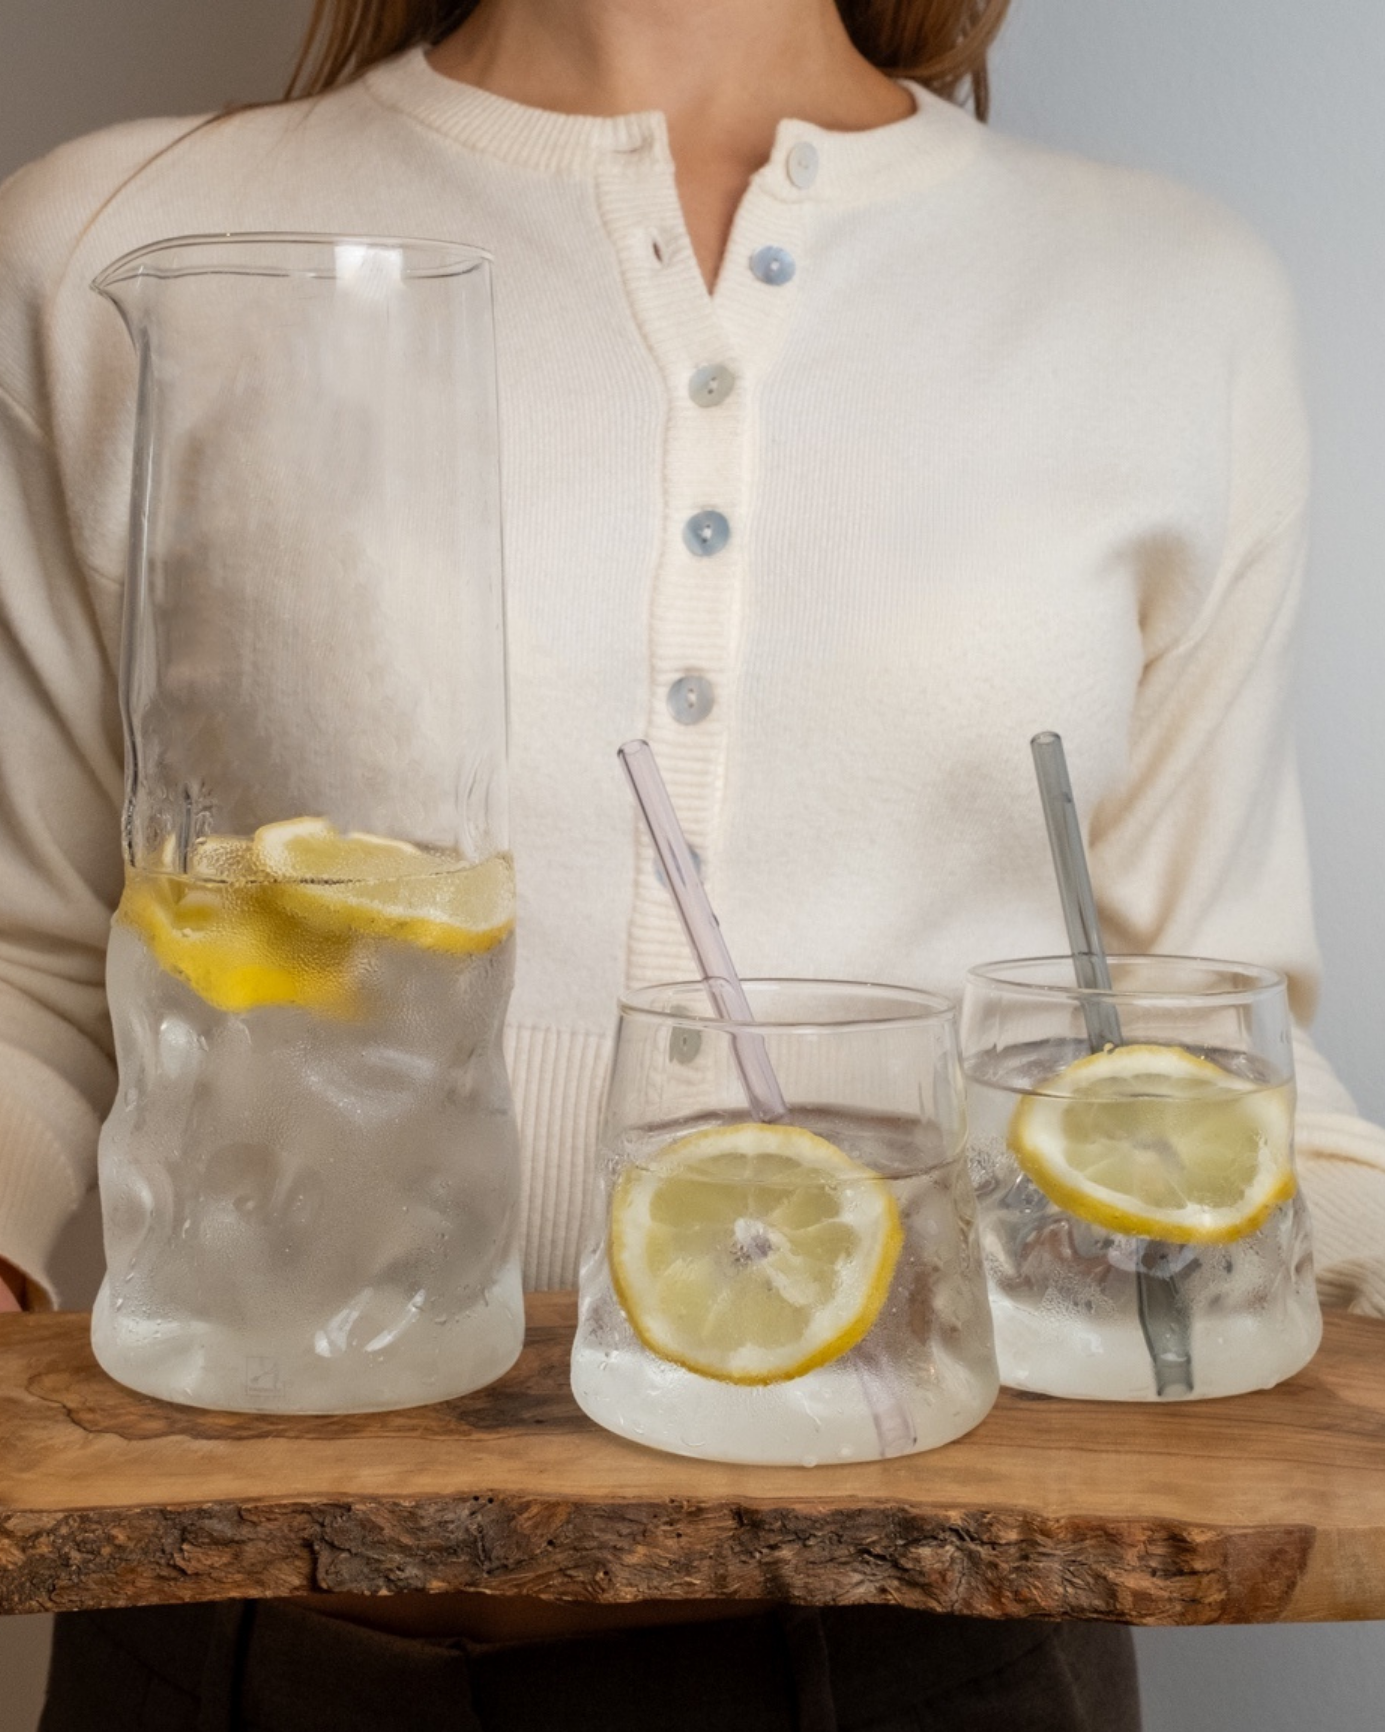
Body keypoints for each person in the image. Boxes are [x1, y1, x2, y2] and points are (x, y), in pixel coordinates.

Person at [4, 0, 1385, 1725]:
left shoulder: (1173, 295)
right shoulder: (101, 240)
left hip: (944, 1647)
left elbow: (1211, 1061)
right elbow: (29, 965)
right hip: (248, 1625)